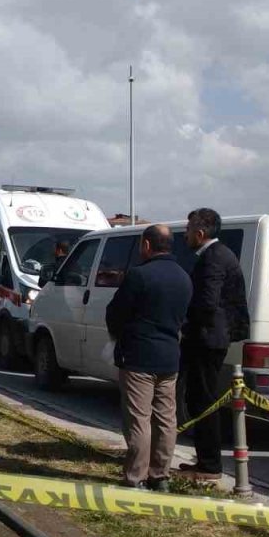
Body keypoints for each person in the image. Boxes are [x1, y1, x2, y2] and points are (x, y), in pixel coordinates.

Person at [105, 225, 192, 491]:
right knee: (166, 419)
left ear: (146, 245)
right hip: (170, 357)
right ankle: (160, 475)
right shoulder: (184, 277)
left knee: (139, 419)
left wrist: (119, 335)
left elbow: (116, 313)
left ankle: (136, 476)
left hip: (138, 356)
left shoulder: (139, 275)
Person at [177, 208, 250, 481]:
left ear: (200, 233)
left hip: (207, 339)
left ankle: (209, 465)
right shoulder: (217, 255)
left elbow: (207, 302)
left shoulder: (214, 258)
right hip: (209, 337)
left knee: (203, 400)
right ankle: (204, 461)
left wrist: (185, 323)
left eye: (188, 230)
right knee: (197, 399)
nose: (184, 235)